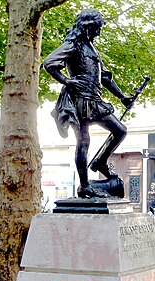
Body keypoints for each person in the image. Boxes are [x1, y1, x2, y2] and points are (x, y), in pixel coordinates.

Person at [44, 9, 132, 198]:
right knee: (83, 141)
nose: (99, 32)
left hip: (95, 99)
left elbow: (105, 78)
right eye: (96, 28)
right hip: (80, 99)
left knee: (120, 130)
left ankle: (100, 162)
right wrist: (67, 81)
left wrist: (122, 97)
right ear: (87, 27)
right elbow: (49, 63)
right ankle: (84, 186)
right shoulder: (73, 45)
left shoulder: (92, 48)